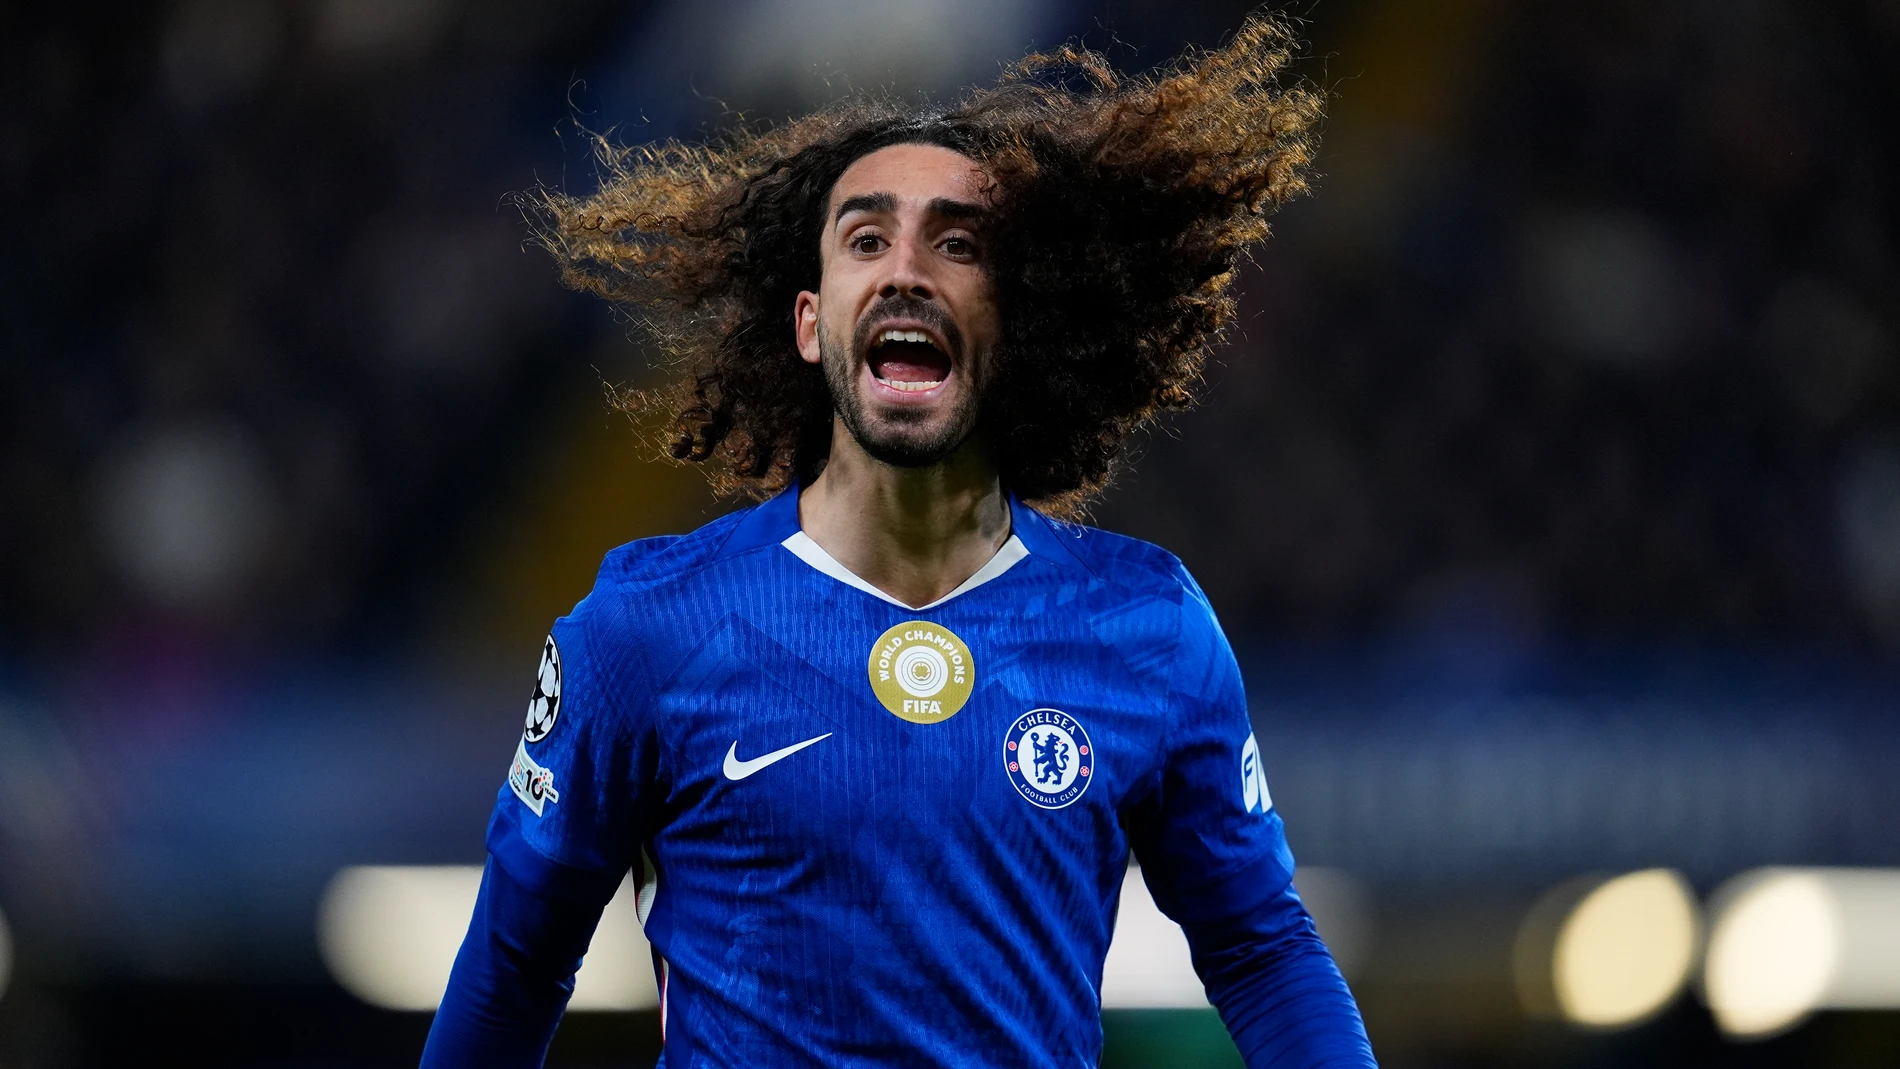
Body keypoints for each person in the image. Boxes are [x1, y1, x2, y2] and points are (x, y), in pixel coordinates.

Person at [422, 16, 1376, 1068]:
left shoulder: (1148, 626)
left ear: (1014, 319)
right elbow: (514, 965)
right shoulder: (649, 627)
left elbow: (1262, 948)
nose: (907, 271)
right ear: (809, 322)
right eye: (865, 240)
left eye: (957, 244)